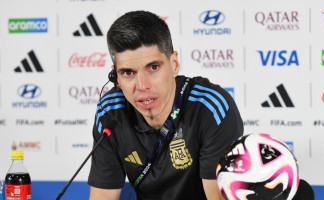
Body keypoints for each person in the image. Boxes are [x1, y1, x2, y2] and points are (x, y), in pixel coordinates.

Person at [88, 10, 244, 200]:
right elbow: (103, 195)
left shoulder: (211, 106)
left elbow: (216, 197)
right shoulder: (110, 111)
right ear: (116, 78)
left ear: (174, 64)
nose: (142, 86)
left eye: (153, 67)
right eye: (128, 73)